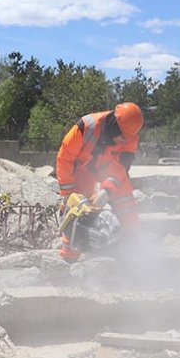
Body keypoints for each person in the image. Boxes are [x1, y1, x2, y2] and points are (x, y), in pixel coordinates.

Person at [55, 102, 144, 262]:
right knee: (76, 206)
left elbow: (121, 169)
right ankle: (70, 255)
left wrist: (107, 190)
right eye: (122, 137)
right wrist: (67, 194)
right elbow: (65, 158)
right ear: (114, 126)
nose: (124, 142)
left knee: (125, 199)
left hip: (107, 170)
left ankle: (134, 247)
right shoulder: (86, 126)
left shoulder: (130, 137)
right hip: (82, 170)